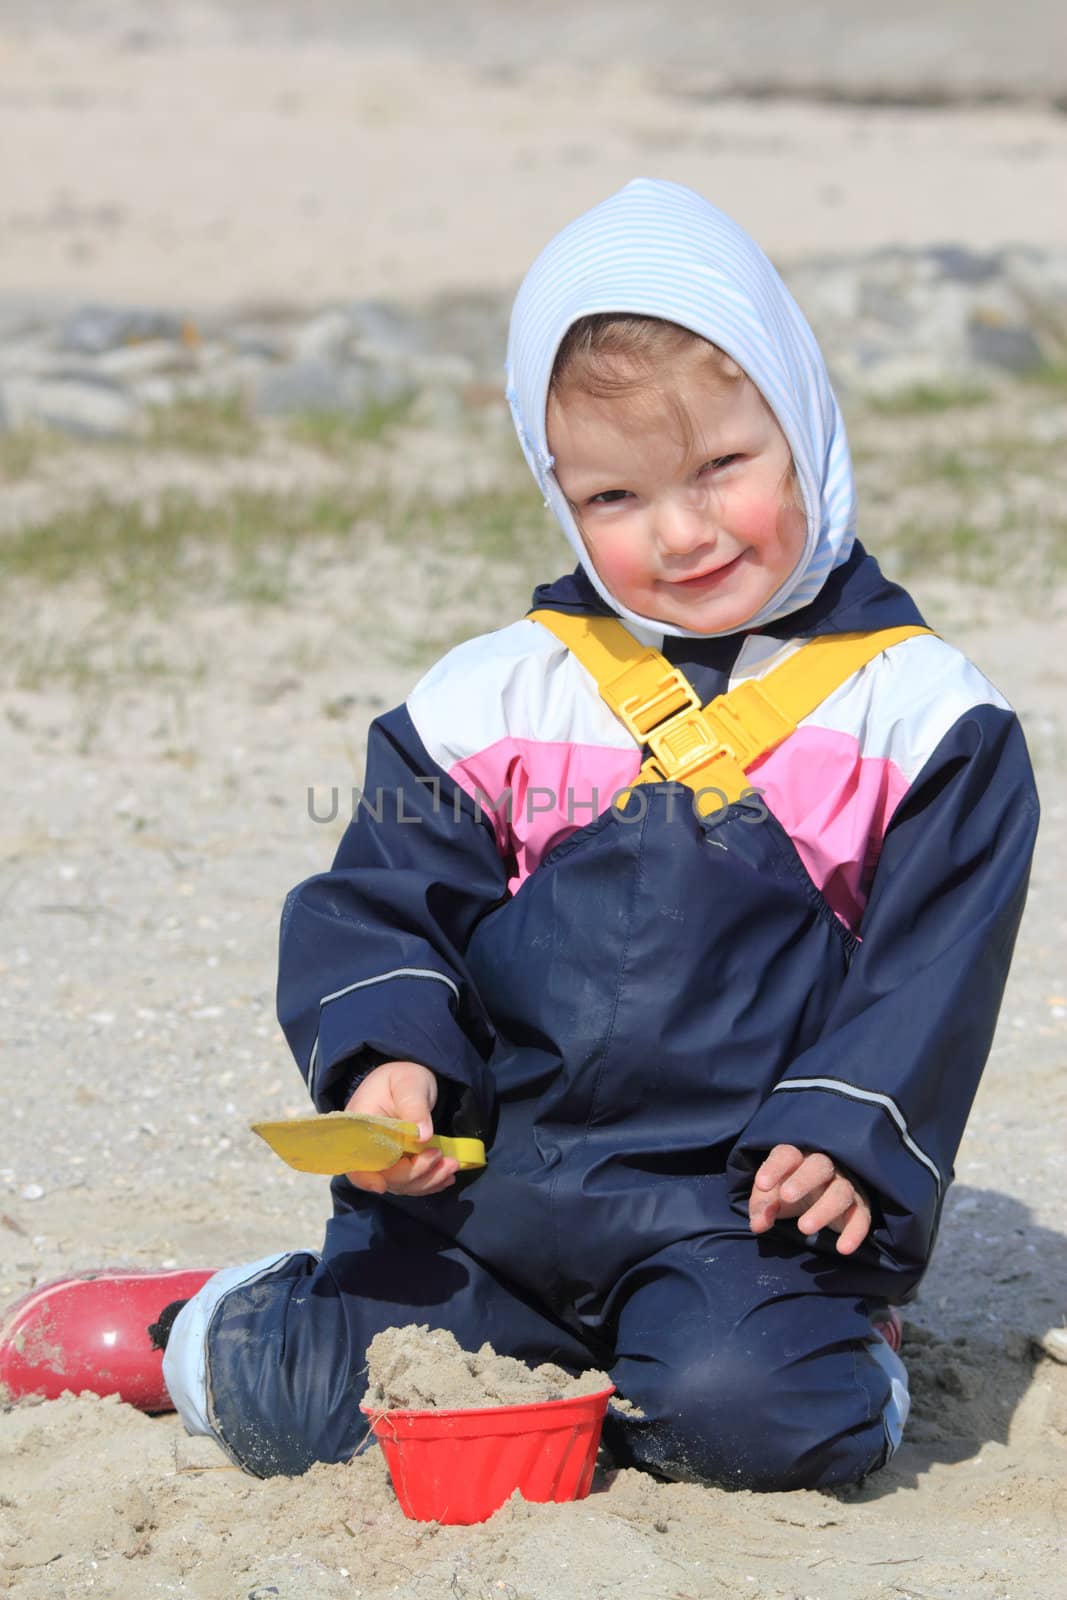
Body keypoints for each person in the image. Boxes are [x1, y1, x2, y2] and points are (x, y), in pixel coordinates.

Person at [0, 179, 1038, 1492]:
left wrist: (848, 1136)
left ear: (805, 422)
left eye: (725, 466)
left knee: (755, 1418)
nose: (682, 532)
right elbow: (384, 895)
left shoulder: (926, 716)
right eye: (615, 497)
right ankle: (222, 1317)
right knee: (316, 1405)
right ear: (556, 495)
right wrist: (391, 1064)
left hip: (740, 1210)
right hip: (499, 1193)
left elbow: (927, 974)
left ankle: (839, 1344)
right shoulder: (493, 693)